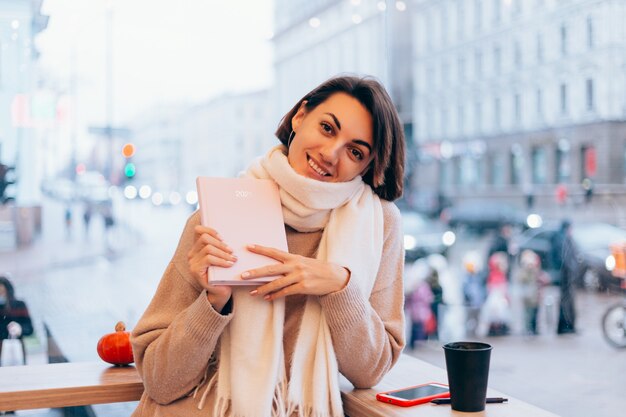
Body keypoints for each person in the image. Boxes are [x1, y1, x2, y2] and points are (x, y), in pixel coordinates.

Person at [130, 75, 406, 417]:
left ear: (368, 165)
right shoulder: (219, 212)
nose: (331, 154)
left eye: (355, 151)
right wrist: (213, 302)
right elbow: (159, 380)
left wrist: (340, 286)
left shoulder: (379, 225)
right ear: (300, 116)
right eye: (327, 128)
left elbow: (371, 370)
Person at [0, 275, 34, 365]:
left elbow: (29, 329)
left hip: (16, 353)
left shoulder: (19, 305)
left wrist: (20, 328)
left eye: (2, 292)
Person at [514, 250, 549, 335]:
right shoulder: (523, 272)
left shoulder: (537, 272)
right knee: (527, 314)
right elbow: (521, 279)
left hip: (536, 296)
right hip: (527, 297)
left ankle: (534, 327)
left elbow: (543, 281)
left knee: (535, 313)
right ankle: (527, 328)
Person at [552, 219, 578, 334]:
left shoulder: (566, 238)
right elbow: (564, 259)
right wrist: (570, 269)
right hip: (565, 276)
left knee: (568, 301)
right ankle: (565, 326)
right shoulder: (561, 239)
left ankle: (568, 326)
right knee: (566, 301)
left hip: (568, 276)